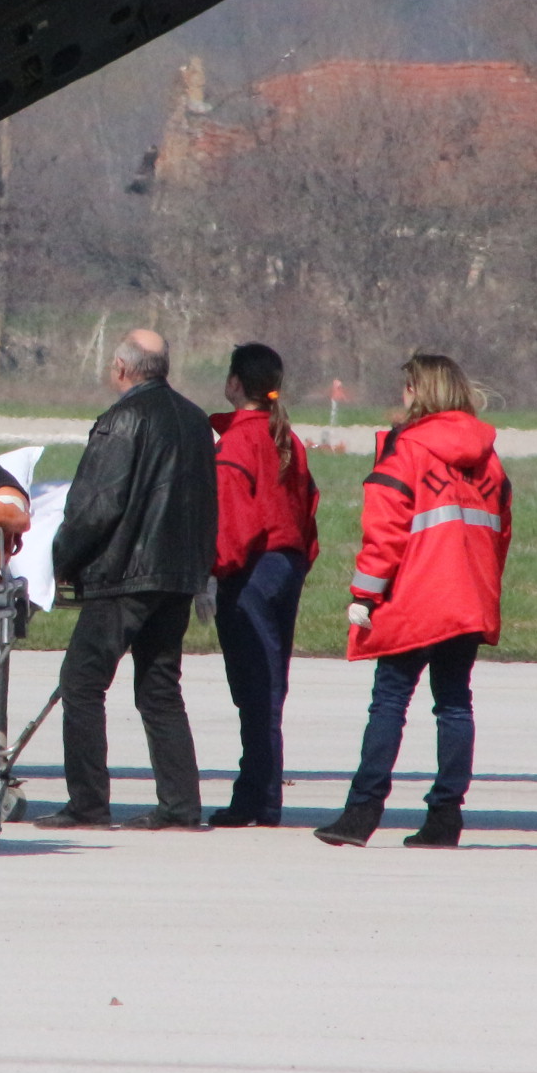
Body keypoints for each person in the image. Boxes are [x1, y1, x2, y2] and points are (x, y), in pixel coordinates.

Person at [316, 353, 513, 850]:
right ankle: (446, 815)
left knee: (389, 701)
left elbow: (384, 532)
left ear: (419, 392)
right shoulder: (489, 459)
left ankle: (362, 812)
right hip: (469, 598)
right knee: (453, 704)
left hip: (417, 598)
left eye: (407, 388)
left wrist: (364, 594)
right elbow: (500, 534)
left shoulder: (406, 450)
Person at [36, 330, 217, 832]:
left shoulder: (122, 419)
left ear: (121, 368)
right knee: (160, 687)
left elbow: (98, 504)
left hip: (125, 574)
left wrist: (57, 559)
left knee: (81, 681)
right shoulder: (196, 419)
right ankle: (181, 805)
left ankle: (88, 802)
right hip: (178, 574)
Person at [207, 343, 320, 828]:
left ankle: (258, 796)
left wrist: (213, 572)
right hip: (287, 566)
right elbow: (307, 506)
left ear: (235, 383)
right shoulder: (286, 438)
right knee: (270, 686)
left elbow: (232, 522)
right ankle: (261, 792)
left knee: (254, 688)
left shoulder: (236, 443)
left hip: (251, 571)